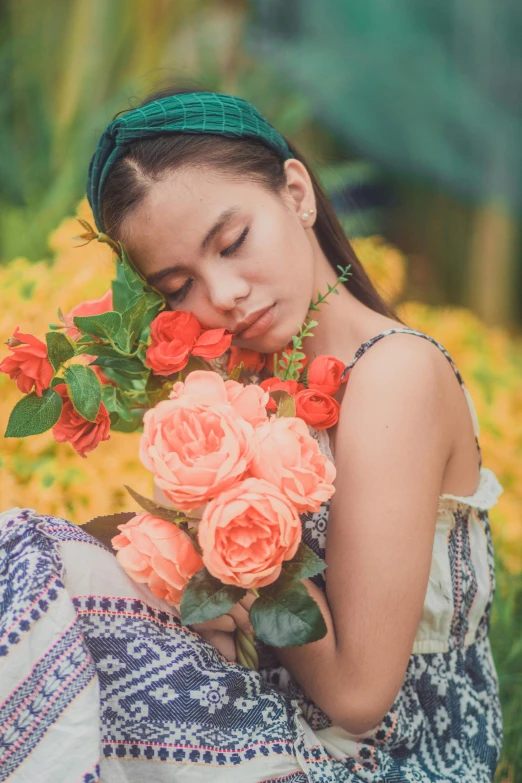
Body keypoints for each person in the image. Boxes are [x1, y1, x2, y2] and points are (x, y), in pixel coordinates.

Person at [0, 87, 503, 783]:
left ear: (297, 192)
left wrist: (236, 555)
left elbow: (359, 697)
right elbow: (222, 616)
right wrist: (185, 565)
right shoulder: (241, 386)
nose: (223, 294)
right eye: (179, 287)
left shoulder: (396, 374)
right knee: (30, 572)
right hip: (267, 718)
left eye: (232, 242)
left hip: (379, 758)